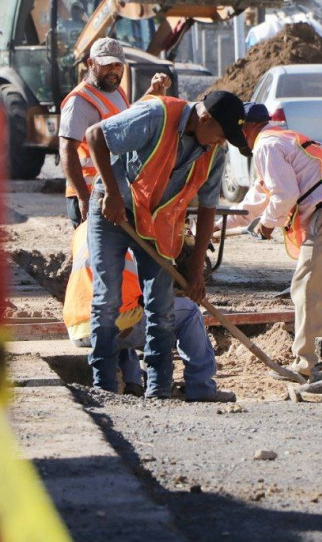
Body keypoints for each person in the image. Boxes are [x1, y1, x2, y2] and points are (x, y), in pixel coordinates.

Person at [84, 89, 250, 398]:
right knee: (107, 300)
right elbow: (95, 136)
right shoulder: (157, 115)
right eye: (221, 133)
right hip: (113, 210)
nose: (221, 141)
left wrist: (197, 269)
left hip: (157, 224)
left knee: (161, 308)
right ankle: (104, 388)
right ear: (204, 119)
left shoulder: (215, 150)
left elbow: (207, 208)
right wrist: (112, 192)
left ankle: (158, 391)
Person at [231, 103, 322, 380]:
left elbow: (284, 196)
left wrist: (268, 225)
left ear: (245, 128)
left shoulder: (266, 146)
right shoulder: (284, 140)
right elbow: (250, 209)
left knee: (307, 286)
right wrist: (206, 230)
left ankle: (306, 366)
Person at [63, 225, 235, 401]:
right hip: (112, 325)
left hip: (77, 324)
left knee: (127, 305)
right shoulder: (140, 224)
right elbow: (156, 296)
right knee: (188, 311)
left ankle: (132, 383)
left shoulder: (85, 228)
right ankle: (201, 388)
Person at [58, 37, 132, 228]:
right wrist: (84, 197)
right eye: (107, 65)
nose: (114, 71)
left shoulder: (118, 93)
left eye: (117, 65)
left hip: (114, 193)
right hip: (89, 194)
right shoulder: (79, 102)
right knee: (90, 254)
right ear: (90, 63)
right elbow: (67, 151)